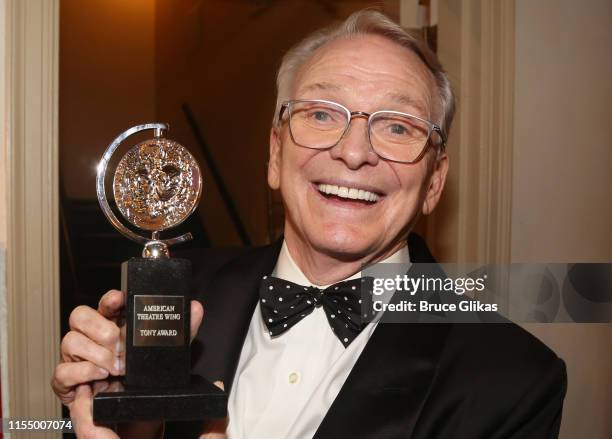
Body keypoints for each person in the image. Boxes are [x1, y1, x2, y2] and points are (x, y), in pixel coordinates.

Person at [52, 10, 567, 438]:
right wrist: (130, 423)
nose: (353, 152)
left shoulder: (514, 380)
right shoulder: (172, 302)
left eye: (397, 125)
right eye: (322, 113)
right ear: (275, 154)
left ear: (434, 181)